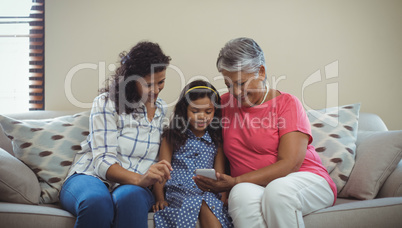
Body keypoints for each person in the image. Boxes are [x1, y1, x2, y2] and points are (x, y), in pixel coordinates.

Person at [193, 37, 337, 228]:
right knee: (240, 194)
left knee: (278, 192)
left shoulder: (287, 104)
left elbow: (290, 164)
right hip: (254, 186)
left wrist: (235, 180)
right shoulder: (223, 105)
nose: (235, 92)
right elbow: (192, 124)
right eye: (229, 85)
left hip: (305, 180)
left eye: (241, 83)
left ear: (261, 72)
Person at [59, 41, 173, 228]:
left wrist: (148, 181)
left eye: (161, 82)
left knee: (130, 199)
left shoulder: (162, 110)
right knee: (97, 203)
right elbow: (103, 161)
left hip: (133, 187)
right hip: (91, 176)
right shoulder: (106, 103)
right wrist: (140, 179)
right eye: (147, 84)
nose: (156, 90)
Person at [153, 80, 233, 228]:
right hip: (179, 191)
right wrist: (159, 198)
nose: (202, 116)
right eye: (195, 111)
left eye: (208, 112)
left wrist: (222, 201)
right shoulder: (172, 136)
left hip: (207, 192)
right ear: (185, 111)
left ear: (214, 110)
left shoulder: (217, 140)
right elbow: (161, 172)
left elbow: (219, 176)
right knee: (198, 202)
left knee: (206, 202)